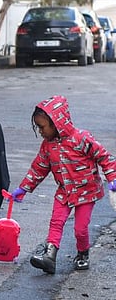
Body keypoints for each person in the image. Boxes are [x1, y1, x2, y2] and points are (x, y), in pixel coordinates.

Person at [10, 95, 116, 274]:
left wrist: (112, 177)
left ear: (56, 123)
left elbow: (104, 157)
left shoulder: (81, 139)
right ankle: (49, 257)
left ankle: (83, 254)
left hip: (86, 192)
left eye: (42, 127)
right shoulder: (47, 146)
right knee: (56, 222)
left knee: (80, 229)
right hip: (64, 192)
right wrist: (24, 188)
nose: (40, 131)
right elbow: (39, 168)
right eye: (38, 127)